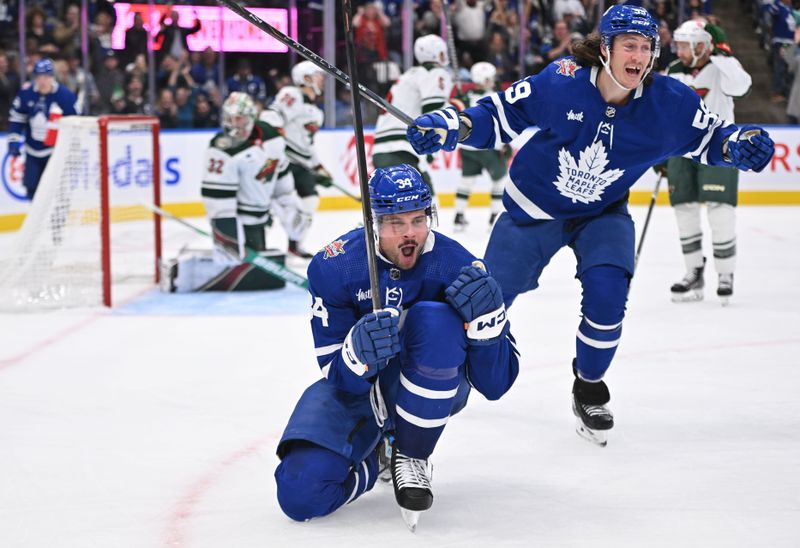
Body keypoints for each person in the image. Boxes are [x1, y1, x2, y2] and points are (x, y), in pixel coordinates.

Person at [406, 5, 775, 447]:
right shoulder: (561, 81)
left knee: (609, 294)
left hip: (602, 212)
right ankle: (455, 375)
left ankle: (589, 386)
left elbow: (712, 137)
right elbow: (498, 114)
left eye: (647, 47)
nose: (639, 56)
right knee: (483, 302)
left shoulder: (668, 101)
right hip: (533, 212)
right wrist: (455, 124)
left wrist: (739, 145)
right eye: (629, 46)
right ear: (606, 48)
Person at [274, 164, 519, 528]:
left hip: (427, 382)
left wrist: (489, 329)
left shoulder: (458, 263)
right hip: (357, 392)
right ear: (373, 222)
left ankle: (411, 453)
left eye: (418, 220)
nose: (410, 234)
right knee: (299, 491)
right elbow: (333, 371)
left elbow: (496, 385)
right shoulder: (335, 266)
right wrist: (355, 355)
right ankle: (378, 460)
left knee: (435, 320)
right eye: (395, 223)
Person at [160, 92, 309, 292]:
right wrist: (227, 240)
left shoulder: (272, 136)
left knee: (259, 277)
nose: (233, 124)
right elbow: (218, 202)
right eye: (229, 118)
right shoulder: (221, 149)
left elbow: (280, 175)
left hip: (261, 220)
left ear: (251, 117)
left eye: (239, 118)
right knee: (245, 275)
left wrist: (291, 211)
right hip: (240, 222)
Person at [662, 20, 752, 305]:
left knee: (720, 210)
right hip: (681, 150)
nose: (678, 49)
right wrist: (660, 152)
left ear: (702, 45)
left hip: (719, 148)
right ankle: (693, 271)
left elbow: (742, 87)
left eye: (685, 44)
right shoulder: (674, 70)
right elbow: (664, 111)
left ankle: (725, 274)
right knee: (684, 210)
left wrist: (721, 54)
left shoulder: (722, 69)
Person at [260, 61, 332, 259]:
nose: (322, 80)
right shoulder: (292, 94)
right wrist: (270, 143)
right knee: (281, 202)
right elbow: (272, 115)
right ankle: (259, 241)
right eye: (318, 75)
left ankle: (294, 243)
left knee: (310, 200)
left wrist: (318, 167)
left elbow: (307, 144)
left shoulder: (317, 112)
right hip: (284, 159)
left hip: (301, 163)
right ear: (306, 78)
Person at [371, 34, 452, 194]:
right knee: (425, 201)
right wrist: (456, 105)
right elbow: (434, 113)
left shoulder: (410, 75)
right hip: (401, 148)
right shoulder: (434, 73)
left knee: (399, 208)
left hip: (384, 149)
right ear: (436, 54)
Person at [8, 58, 79, 200]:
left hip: (55, 152)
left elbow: (76, 123)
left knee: (56, 189)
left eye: (46, 77)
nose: (42, 81)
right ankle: (36, 220)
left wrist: (72, 147)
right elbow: (17, 118)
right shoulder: (26, 93)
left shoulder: (65, 96)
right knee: (31, 187)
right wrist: (14, 139)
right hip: (32, 149)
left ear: (53, 77)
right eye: (39, 77)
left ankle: (56, 221)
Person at [453, 61, 510, 231]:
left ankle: (458, 216)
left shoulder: (464, 97)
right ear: (485, 79)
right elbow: (501, 123)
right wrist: (505, 145)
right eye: (491, 78)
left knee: (466, 182)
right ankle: (494, 217)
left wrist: (459, 99)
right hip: (489, 147)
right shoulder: (494, 97)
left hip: (467, 147)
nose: (493, 80)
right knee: (499, 181)